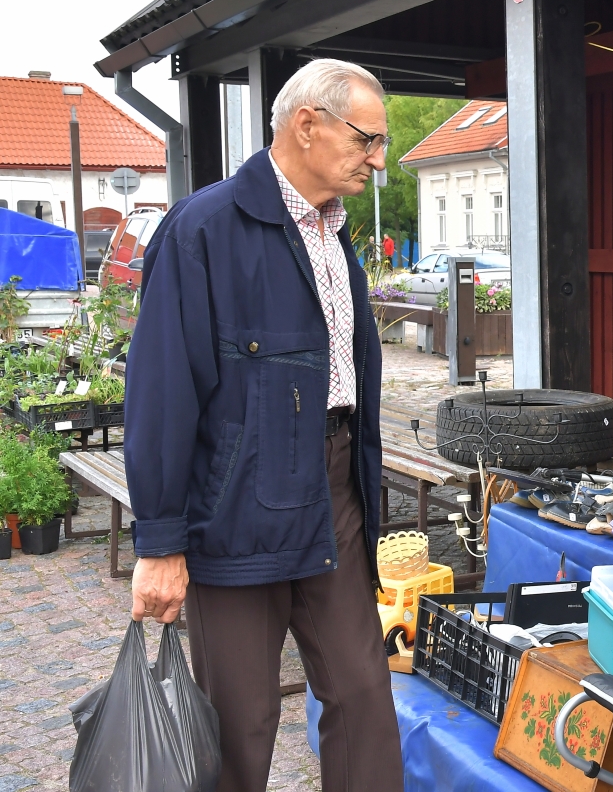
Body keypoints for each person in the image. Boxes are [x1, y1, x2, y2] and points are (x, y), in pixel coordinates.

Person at [123, 58, 403, 792]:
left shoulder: (335, 233)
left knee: (364, 695)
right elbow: (161, 391)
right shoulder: (203, 229)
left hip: (334, 491)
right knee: (239, 724)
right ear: (307, 124)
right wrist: (160, 542)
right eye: (368, 139)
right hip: (236, 506)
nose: (378, 160)